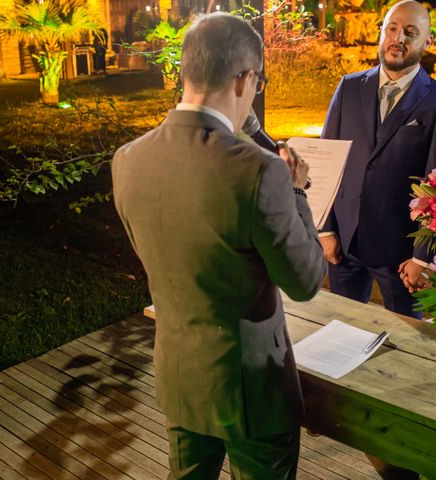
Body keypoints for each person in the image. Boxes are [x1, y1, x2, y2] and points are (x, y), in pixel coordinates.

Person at [112, 12, 325, 480]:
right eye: (259, 81)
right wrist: (295, 192)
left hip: (181, 375)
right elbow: (307, 280)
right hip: (251, 387)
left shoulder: (127, 160)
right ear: (246, 78)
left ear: (187, 72)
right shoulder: (258, 170)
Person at [319, 0, 436, 318]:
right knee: (341, 331)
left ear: (427, 41)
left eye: (411, 32)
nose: (399, 38)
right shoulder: (349, 87)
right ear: (381, 32)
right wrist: (325, 230)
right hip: (344, 241)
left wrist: (422, 257)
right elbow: (327, 159)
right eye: (392, 29)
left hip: (400, 251)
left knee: (407, 341)